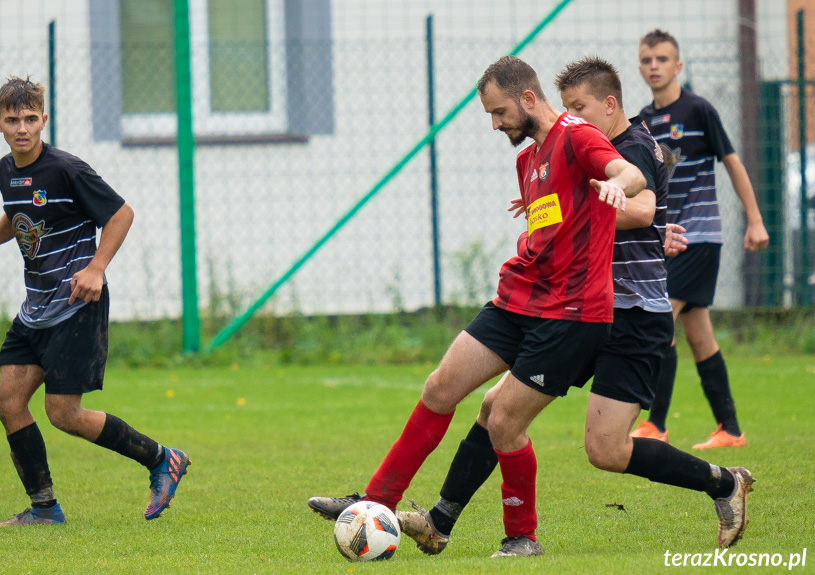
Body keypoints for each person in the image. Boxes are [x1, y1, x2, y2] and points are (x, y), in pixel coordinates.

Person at [393, 56, 755, 558]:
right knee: (498, 410)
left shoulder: (633, 147)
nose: (572, 119)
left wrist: (590, 206)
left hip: (632, 316)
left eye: (580, 108)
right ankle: (442, 520)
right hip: (578, 309)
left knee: (605, 450)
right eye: (567, 109)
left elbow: (644, 205)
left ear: (610, 105)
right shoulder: (573, 146)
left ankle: (722, 483)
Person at [308, 55, 647, 558]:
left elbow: (629, 172)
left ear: (528, 98)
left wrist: (618, 185)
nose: (495, 124)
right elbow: (555, 218)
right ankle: (376, 504)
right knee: (440, 386)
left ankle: (521, 537)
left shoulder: (577, 135)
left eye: (499, 112)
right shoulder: (526, 160)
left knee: (504, 419)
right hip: (521, 299)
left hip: (572, 315)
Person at [0, 77, 190, 526]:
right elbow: (18, 214)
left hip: (76, 306)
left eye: (29, 119)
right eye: (11, 120)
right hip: (36, 307)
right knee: (8, 401)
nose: (21, 128)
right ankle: (44, 508)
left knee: (63, 413)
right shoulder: (6, 169)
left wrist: (97, 267)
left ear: (44, 119)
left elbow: (121, 213)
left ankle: (162, 459)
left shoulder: (67, 168)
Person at [630, 29, 770, 448]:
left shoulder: (699, 110)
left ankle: (654, 423)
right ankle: (730, 429)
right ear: (640, 66)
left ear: (678, 65)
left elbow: (732, 163)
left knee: (658, 319)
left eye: (662, 59)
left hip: (700, 236)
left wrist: (755, 219)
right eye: (647, 59)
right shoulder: (643, 120)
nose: (654, 66)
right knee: (699, 335)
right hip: (666, 239)